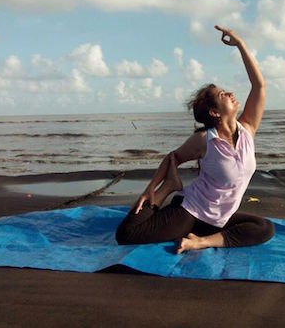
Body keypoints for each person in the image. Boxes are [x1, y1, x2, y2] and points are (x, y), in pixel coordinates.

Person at [116, 25, 274, 254]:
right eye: (222, 96)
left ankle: (202, 241)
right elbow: (174, 157)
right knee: (126, 235)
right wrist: (153, 189)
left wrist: (240, 44)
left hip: (219, 219)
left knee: (264, 228)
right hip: (192, 211)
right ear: (214, 112)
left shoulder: (248, 130)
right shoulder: (204, 140)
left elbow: (259, 86)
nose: (230, 94)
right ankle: (171, 187)